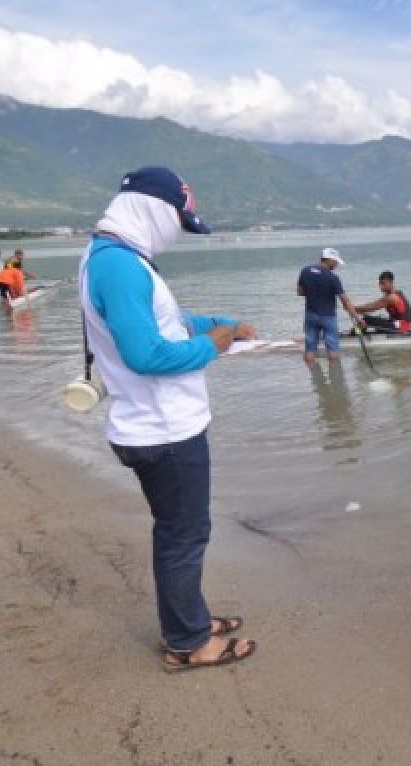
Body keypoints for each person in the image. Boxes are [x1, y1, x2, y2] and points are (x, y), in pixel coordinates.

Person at [79, 166, 257, 671]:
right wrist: (211, 346)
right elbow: (146, 354)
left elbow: (164, 324)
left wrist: (219, 324)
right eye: (177, 220)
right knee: (183, 536)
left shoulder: (112, 257)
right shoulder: (120, 267)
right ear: (154, 210)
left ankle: (190, 619)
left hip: (153, 425)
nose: (178, 231)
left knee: (179, 533)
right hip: (164, 431)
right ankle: (187, 642)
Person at [297, 247, 364, 366]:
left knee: (310, 349)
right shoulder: (332, 277)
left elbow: (300, 292)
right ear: (329, 260)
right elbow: (345, 300)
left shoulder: (305, 271)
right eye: (336, 261)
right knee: (333, 351)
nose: (337, 264)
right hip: (328, 317)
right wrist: (357, 318)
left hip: (310, 316)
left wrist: (314, 292)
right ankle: (335, 379)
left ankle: (314, 376)